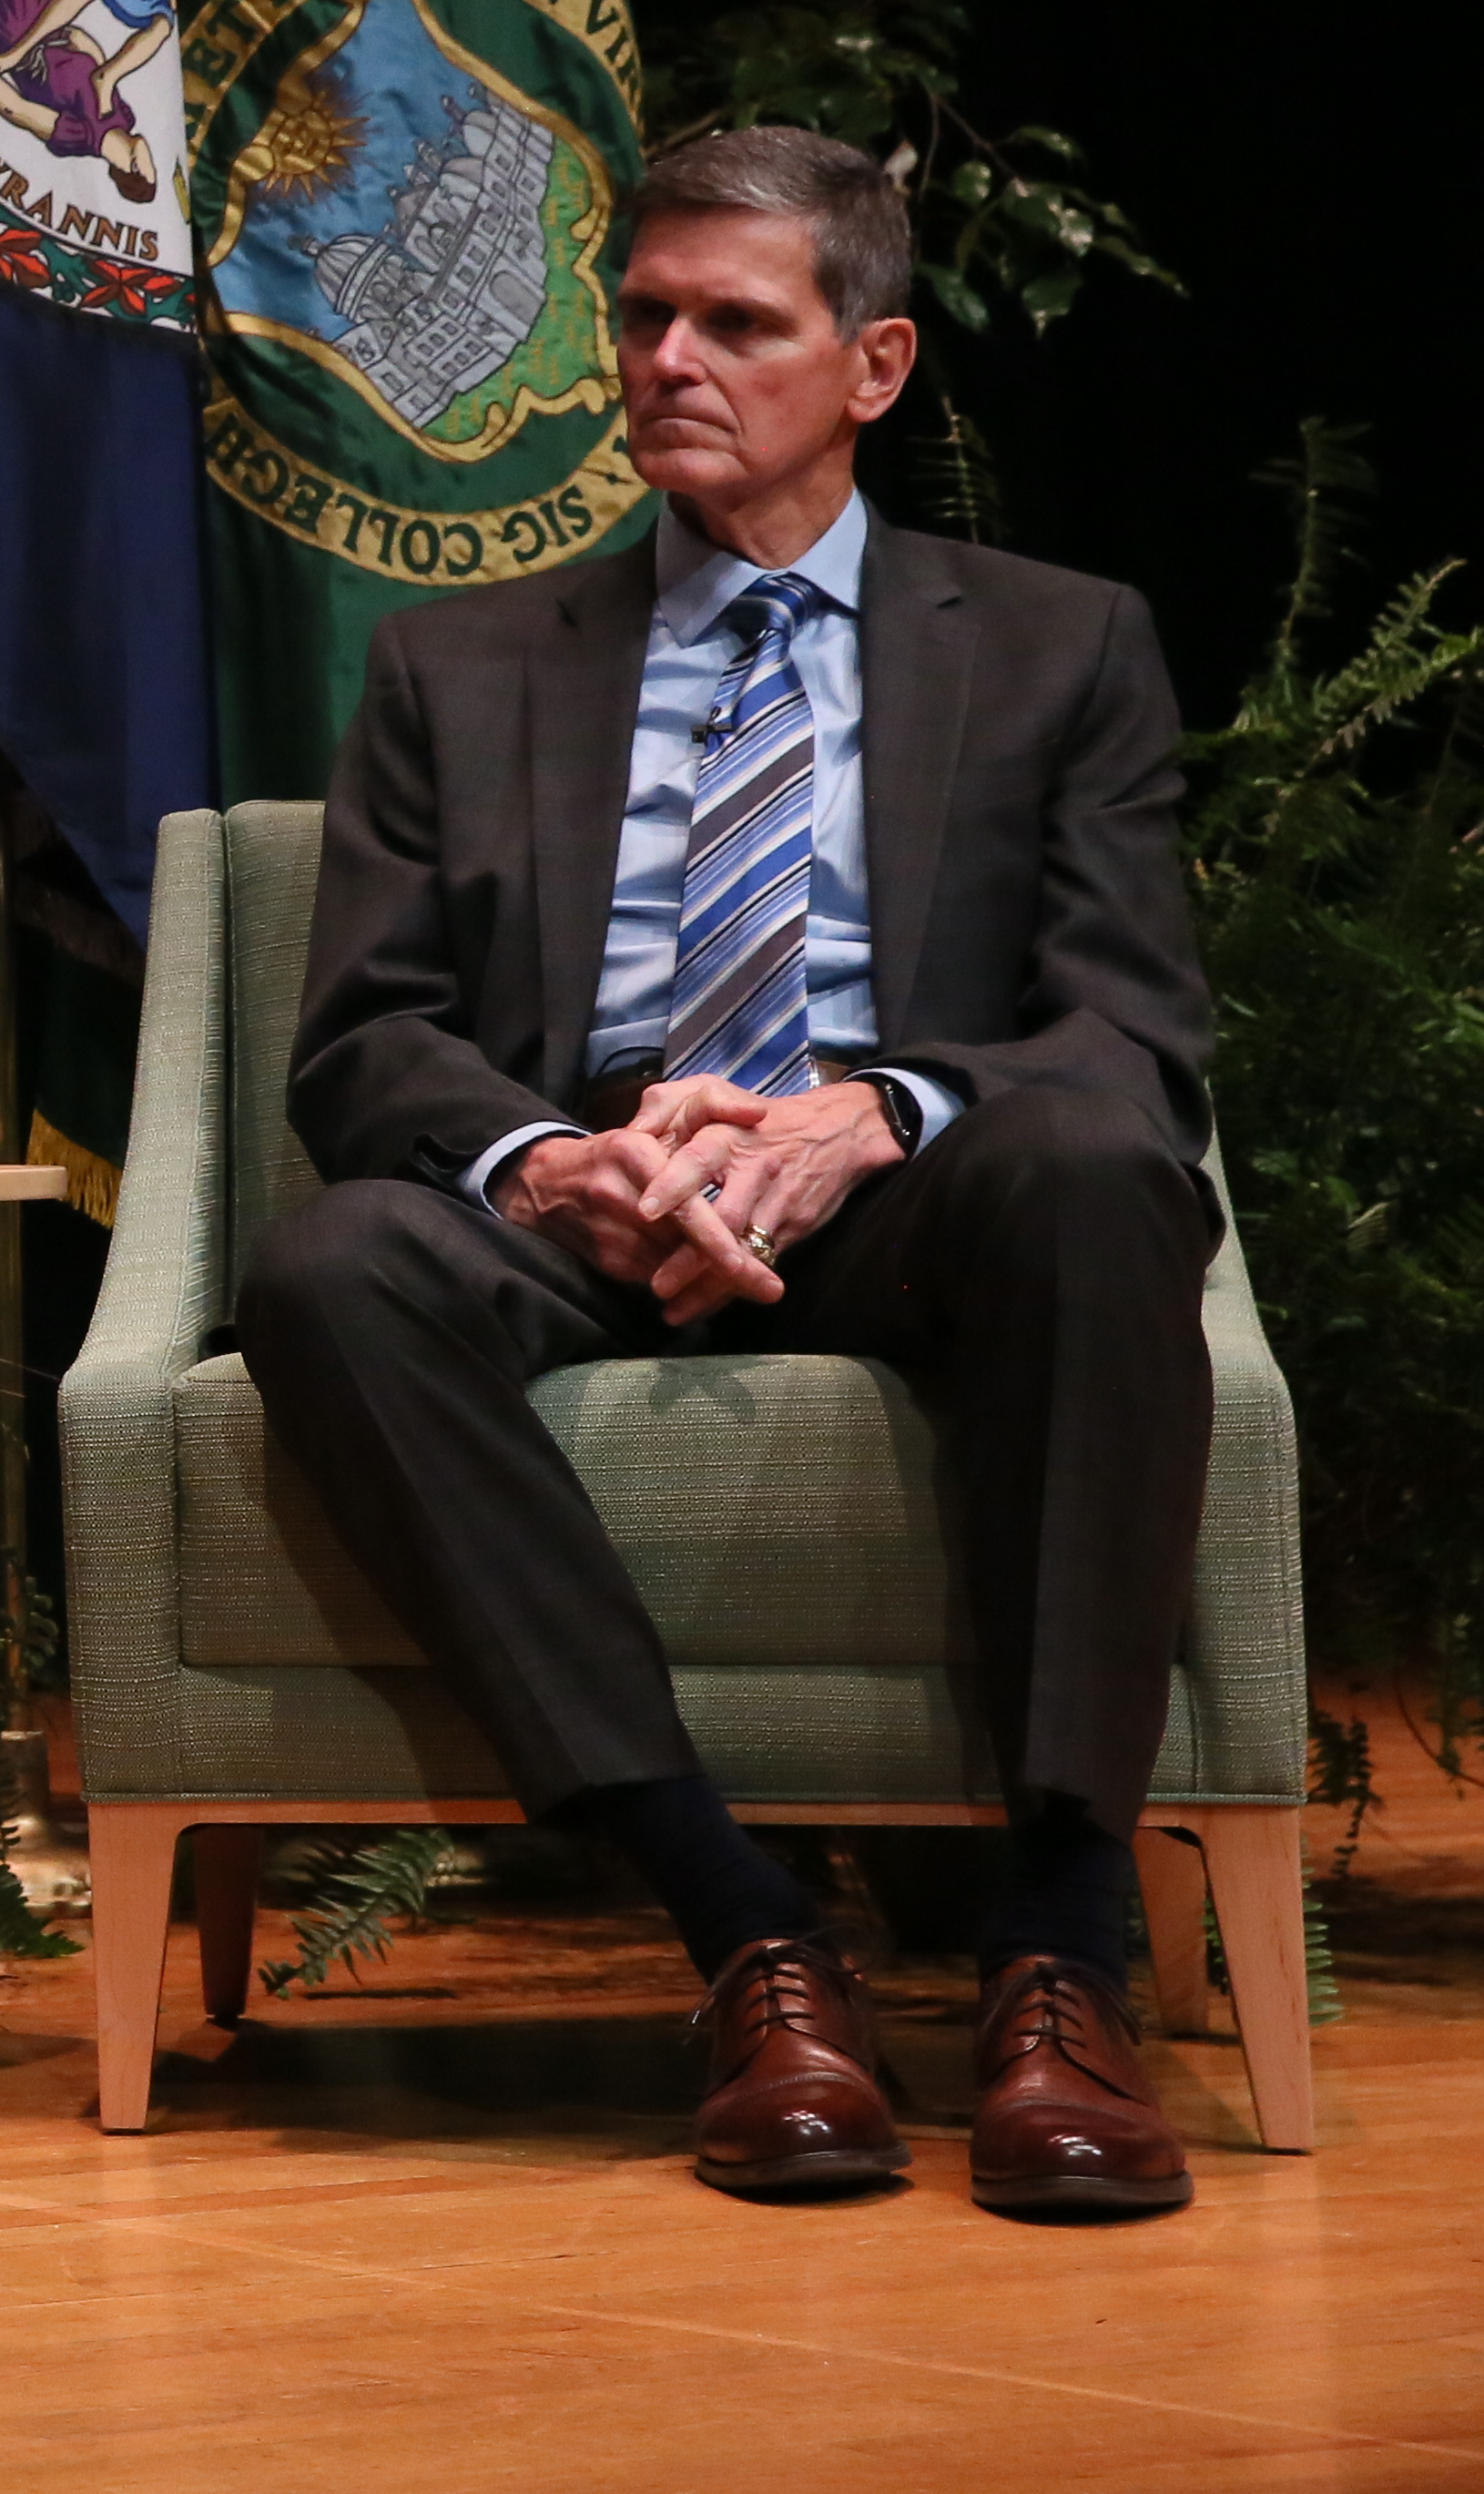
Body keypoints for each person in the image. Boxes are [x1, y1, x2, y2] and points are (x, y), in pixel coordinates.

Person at [238, 125, 1218, 2219]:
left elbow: (1133, 1027)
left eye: (735, 323)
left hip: (900, 1195)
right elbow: (365, 1036)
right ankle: (746, 1932)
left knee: (1092, 1165)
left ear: (874, 365)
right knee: (334, 1267)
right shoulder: (457, 662)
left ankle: (1063, 1953)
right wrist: (558, 1163)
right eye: (644, 315)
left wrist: (871, 1114)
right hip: (599, 1189)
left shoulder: (1060, 644)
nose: (668, 359)